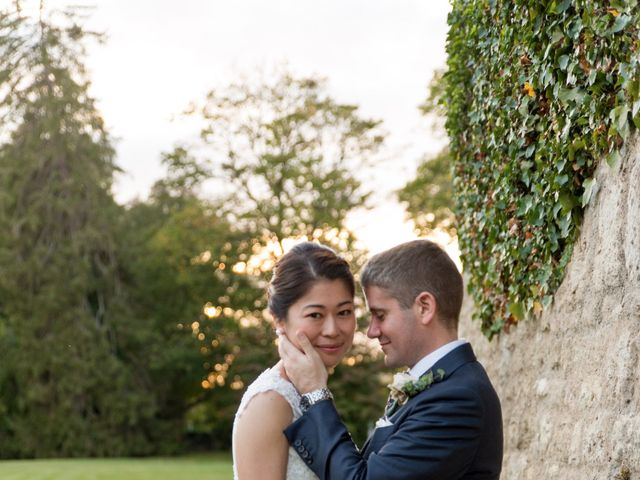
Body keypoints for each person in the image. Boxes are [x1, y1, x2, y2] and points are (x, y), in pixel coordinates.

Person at [278, 239, 503, 479]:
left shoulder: (457, 399)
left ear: (424, 307)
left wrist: (315, 393)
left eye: (380, 315)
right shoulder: (440, 387)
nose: (372, 331)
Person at [232, 242, 357, 480]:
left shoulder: (311, 390)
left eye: (344, 312)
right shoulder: (271, 401)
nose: (332, 330)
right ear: (278, 319)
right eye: (315, 315)